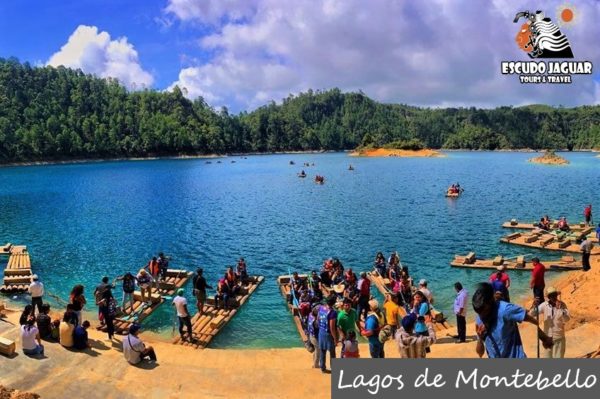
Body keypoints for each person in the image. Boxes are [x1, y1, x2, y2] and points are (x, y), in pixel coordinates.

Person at [472, 282, 553, 358]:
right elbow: (480, 353)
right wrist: (480, 338)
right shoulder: (480, 320)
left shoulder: (505, 310)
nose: (481, 316)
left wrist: (544, 338)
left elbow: (530, 321)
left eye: (484, 311)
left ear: (491, 303)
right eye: (478, 312)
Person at [529, 287, 570, 358]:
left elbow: (567, 319)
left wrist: (561, 310)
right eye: (551, 296)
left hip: (559, 337)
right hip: (547, 338)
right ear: (548, 297)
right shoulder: (544, 305)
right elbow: (532, 314)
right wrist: (534, 305)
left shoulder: (562, 305)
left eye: (555, 295)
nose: (554, 297)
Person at [317, 295, 338, 373]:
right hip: (328, 335)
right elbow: (332, 328)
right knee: (332, 352)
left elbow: (318, 320)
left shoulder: (321, 308)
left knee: (322, 351)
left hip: (321, 332)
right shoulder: (333, 313)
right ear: (333, 303)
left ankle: (323, 368)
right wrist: (335, 339)